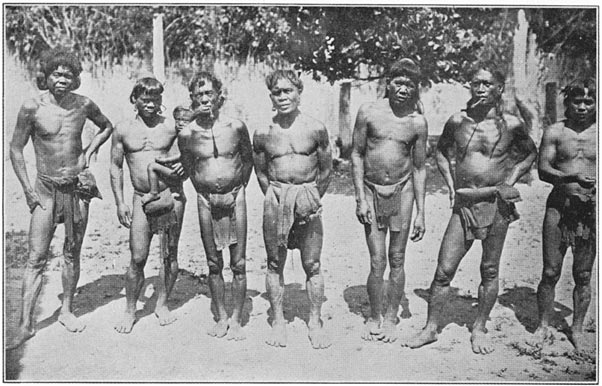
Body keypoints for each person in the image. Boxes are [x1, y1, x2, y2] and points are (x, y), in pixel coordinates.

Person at [402, 64, 537, 354]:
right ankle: (430, 328)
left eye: (487, 84)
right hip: (463, 206)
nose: (480, 89)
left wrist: (510, 180)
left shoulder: (512, 125)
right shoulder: (457, 121)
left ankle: (479, 328)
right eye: (475, 83)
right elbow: (440, 152)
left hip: (496, 206)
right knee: (443, 270)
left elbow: (530, 154)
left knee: (489, 270)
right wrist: (451, 186)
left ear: (499, 88)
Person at [8, 48, 113, 349]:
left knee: (72, 252)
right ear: (46, 76)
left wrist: (91, 149)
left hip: (77, 188)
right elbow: (16, 149)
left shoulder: (84, 105)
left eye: (68, 74)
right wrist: (28, 190)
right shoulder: (32, 108)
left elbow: (106, 126)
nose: (62, 79)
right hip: (45, 191)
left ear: (75, 78)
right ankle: (26, 325)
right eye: (57, 73)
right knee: (35, 257)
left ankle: (66, 310)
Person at [253, 70, 333, 349]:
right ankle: (277, 320)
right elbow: (261, 172)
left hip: (307, 198)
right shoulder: (263, 132)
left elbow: (326, 170)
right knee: (275, 263)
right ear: (271, 96)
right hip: (276, 198)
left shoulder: (316, 128)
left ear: (299, 92)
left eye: (288, 91)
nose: (283, 97)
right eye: (278, 92)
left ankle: (315, 321)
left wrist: (308, 199)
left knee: (312, 264)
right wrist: (278, 199)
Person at [351, 58, 427, 343]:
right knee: (376, 260)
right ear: (388, 83)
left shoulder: (417, 123)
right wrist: (359, 197)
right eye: (399, 82)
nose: (403, 89)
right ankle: (374, 314)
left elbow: (419, 168)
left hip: (403, 191)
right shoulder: (368, 112)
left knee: (397, 257)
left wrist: (422, 212)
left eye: (410, 84)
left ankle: (392, 317)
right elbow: (357, 154)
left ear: (416, 88)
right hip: (371, 191)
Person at [177, 72, 253, 340]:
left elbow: (248, 160)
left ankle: (236, 319)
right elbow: (189, 167)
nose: (205, 99)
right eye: (199, 95)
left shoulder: (236, 127)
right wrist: (208, 190)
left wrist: (234, 189)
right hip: (206, 200)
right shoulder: (187, 134)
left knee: (239, 262)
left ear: (220, 95)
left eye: (210, 93)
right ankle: (221, 316)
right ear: (193, 99)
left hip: (236, 197)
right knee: (213, 263)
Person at [110, 77, 186, 334]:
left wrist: (185, 166)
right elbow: (115, 166)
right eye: (146, 99)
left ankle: (162, 304)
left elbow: (189, 155)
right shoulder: (122, 129)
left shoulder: (172, 128)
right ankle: (131, 310)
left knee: (169, 254)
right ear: (135, 99)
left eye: (156, 99)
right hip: (141, 197)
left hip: (171, 195)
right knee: (138, 256)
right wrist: (120, 202)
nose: (151, 104)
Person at [528, 79, 596, 352]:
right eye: (576, 101)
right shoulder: (555, 131)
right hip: (560, 205)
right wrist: (571, 176)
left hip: (591, 210)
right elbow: (543, 169)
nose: (581, 107)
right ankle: (543, 325)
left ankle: (577, 328)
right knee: (550, 270)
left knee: (582, 274)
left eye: (588, 102)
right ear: (567, 103)